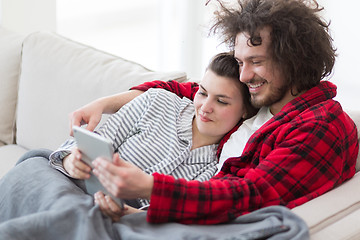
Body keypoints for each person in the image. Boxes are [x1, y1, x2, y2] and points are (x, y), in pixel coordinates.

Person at [70, 0, 359, 225]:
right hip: (183, 210)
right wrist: (106, 104)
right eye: (239, 62)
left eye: (255, 61)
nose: (244, 76)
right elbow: (189, 90)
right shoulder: (263, 100)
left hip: (211, 220)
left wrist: (151, 188)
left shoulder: (321, 126)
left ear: (293, 61)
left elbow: (251, 195)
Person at [49, 52, 257, 220]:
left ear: (245, 111)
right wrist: (71, 161)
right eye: (202, 93)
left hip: (116, 218)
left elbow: (175, 217)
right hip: (74, 185)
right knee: (34, 170)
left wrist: (126, 214)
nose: (205, 107)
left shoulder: (220, 165)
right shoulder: (157, 101)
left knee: (79, 219)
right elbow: (90, 144)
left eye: (221, 101)